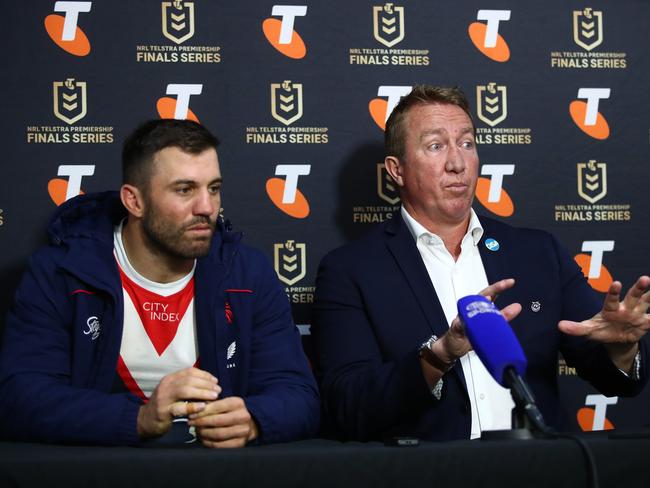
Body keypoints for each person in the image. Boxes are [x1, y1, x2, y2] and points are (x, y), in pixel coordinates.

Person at [312, 85, 649, 442]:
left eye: (467, 143)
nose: (457, 163)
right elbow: (348, 405)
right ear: (397, 170)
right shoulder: (351, 270)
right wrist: (437, 356)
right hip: (431, 473)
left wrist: (622, 348)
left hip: (542, 469)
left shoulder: (538, 253)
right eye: (436, 146)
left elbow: (613, 379)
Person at [0, 119, 319, 447]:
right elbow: (19, 397)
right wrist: (137, 419)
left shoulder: (247, 273)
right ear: (134, 201)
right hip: (101, 473)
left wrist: (254, 419)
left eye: (213, 188)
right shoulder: (60, 272)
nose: (206, 208)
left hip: (214, 473)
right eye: (185, 190)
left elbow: (299, 394)